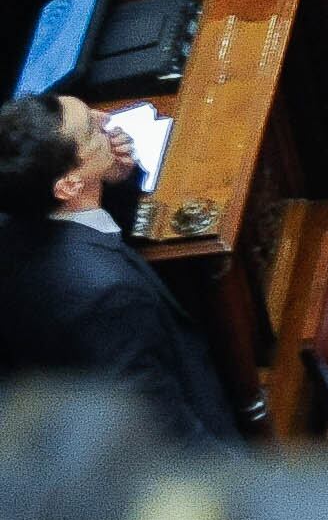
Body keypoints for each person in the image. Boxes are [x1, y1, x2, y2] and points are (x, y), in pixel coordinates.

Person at [0, 95, 238, 445]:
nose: (106, 120)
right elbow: (162, 425)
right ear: (68, 185)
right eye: (91, 130)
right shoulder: (106, 295)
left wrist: (116, 177)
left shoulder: (19, 208)